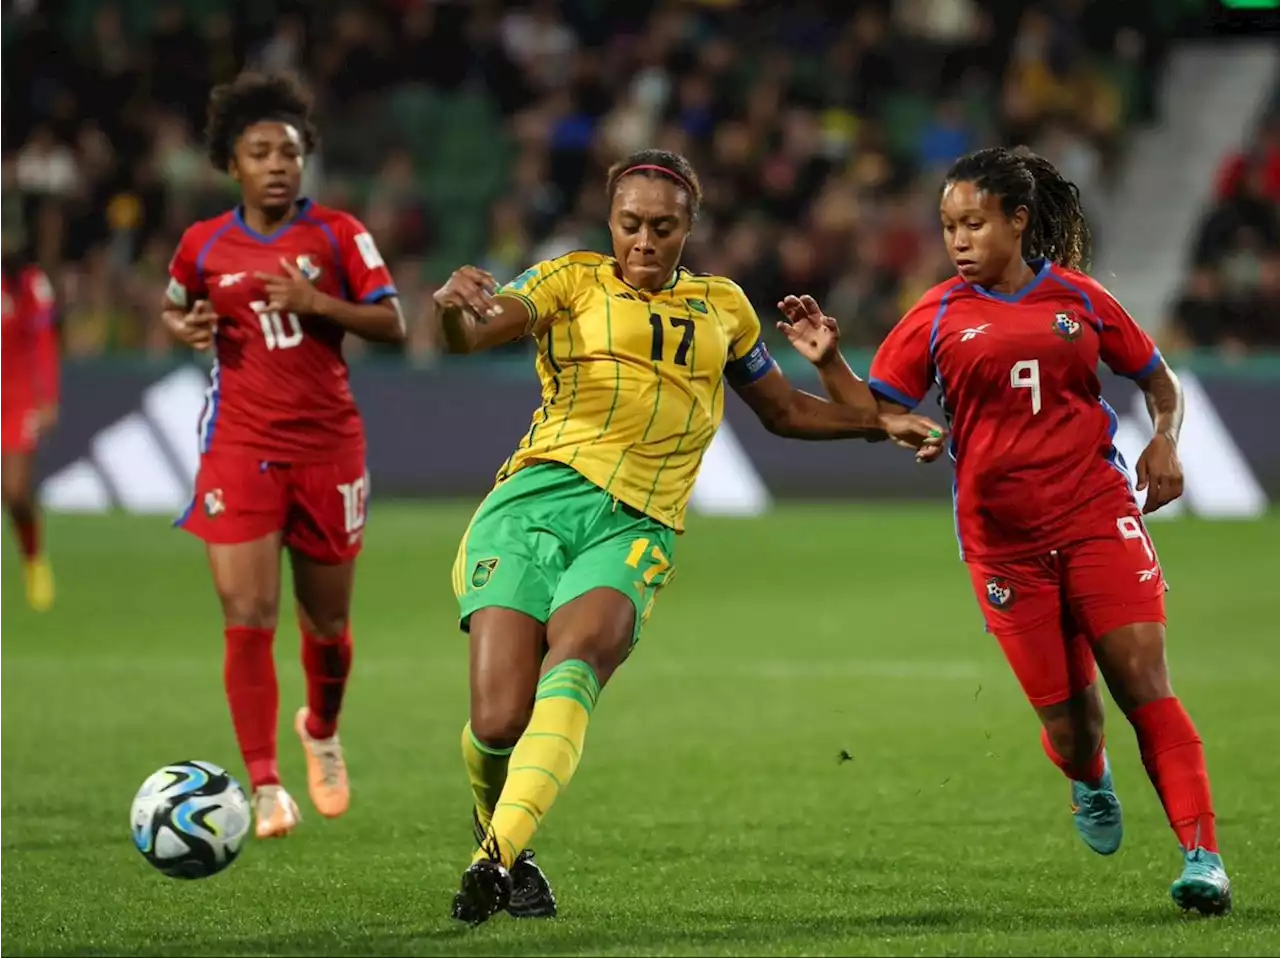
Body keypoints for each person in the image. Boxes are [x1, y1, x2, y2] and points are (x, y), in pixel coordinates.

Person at [431, 148, 947, 925]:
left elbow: (785, 411)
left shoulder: (723, 308)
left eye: (662, 228)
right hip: (532, 506)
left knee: (579, 658)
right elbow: (465, 338)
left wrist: (878, 420)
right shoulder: (570, 280)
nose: (643, 241)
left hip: (637, 525)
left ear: (689, 228)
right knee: (500, 720)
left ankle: (494, 859)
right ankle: (498, 827)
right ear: (610, 221)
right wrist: (449, 307)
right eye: (630, 225)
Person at [778, 146, 1230, 916]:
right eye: (949, 225)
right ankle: (1089, 779)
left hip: (1096, 514)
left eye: (974, 223)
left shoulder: (1081, 300)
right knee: (1070, 719)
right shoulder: (936, 313)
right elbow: (874, 409)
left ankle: (1203, 858)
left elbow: (1159, 380)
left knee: (1144, 683)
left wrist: (1163, 441)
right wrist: (830, 365)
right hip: (1002, 541)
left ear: (1018, 221)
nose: (958, 239)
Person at [162, 72, 405, 839]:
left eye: (290, 153)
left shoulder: (336, 234)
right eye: (261, 152)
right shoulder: (202, 243)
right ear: (231, 164)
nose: (278, 164)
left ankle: (322, 729)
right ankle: (264, 785)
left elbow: (392, 322)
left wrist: (318, 305)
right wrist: (186, 326)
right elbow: (175, 306)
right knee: (248, 614)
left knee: (326, 624)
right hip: (239, 444)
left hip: (329, 446)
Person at [0, 239, 59, 611]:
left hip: (17, 399)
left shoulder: (28, 282)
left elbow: (43, 341)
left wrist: (48, 395)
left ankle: (33, 560)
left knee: (16, 492)